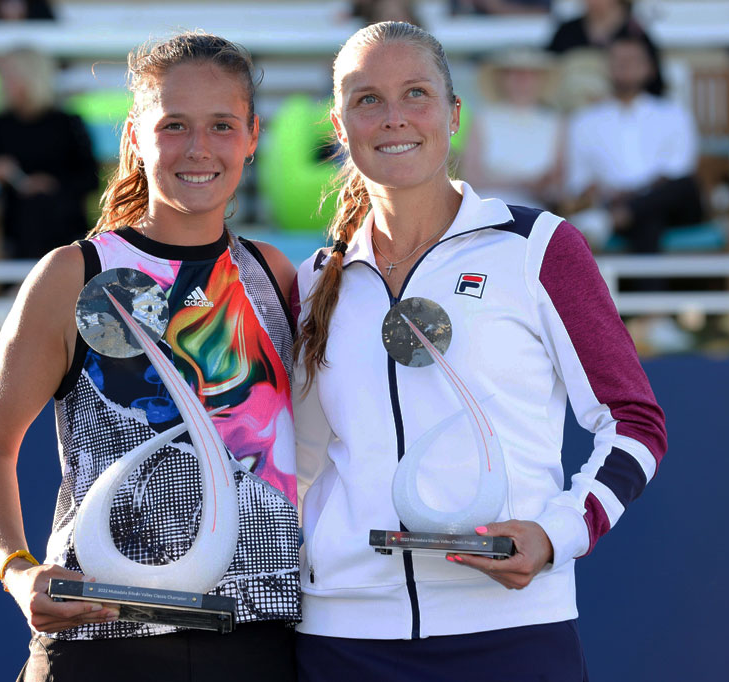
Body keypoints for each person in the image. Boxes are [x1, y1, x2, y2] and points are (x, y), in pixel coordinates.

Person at [293, 22, 666, 681]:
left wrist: (557, 534)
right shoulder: (317, 280)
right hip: (342, 638)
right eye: (366, 99)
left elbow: (635, 424)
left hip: (509, 632)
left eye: (416, 93)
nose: (393, 118)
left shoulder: (537, 248)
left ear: (454, 113)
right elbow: (294, 461)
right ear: (339, 123)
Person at [0, 33, 300, 682]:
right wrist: (17, 570)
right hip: (101, 644)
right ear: (137, 136)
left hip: (257, 644)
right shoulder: (75, 274)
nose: (198, 148)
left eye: (221, 125)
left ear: (252, 137)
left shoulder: (271, 274)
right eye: (173, 125)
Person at [563, 36, 701, 254]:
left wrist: (631, 197)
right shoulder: (584, 121)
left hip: (673, 208)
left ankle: (615, 219)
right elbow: (579, 181)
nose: (625, 66)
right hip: (618, 205)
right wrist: (612, 196)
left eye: (633, 60)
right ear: (606, 68)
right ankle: (623, 217)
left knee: (683, 186)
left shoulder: (673, 114)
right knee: (648, 219)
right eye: (618, 60)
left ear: (649, 68)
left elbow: (677, 174)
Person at [0, 48, 99, 258]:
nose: (2, 84)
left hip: (62, 216)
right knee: (29, 209)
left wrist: (51, 184)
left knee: (40, 204)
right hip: (11, 218)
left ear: (29, 78)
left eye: (9, 77)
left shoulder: (68, 124)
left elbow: (90, 179)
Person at [461, 48, 564, 208]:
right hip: (488, 207)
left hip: (537, 211)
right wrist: (521, 184)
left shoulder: (555, 122)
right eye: (514, 73)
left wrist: (541, 188)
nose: (522, 80)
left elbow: (558, 181)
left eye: (531, 74)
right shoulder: (483, 118)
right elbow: (471, 177)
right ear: (502, 79)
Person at [547, 0, 664, 97]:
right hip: (571, 113)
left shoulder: (635, 33)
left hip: (621, 115)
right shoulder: (567, 31)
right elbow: (547, 71)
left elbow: (654, 84)